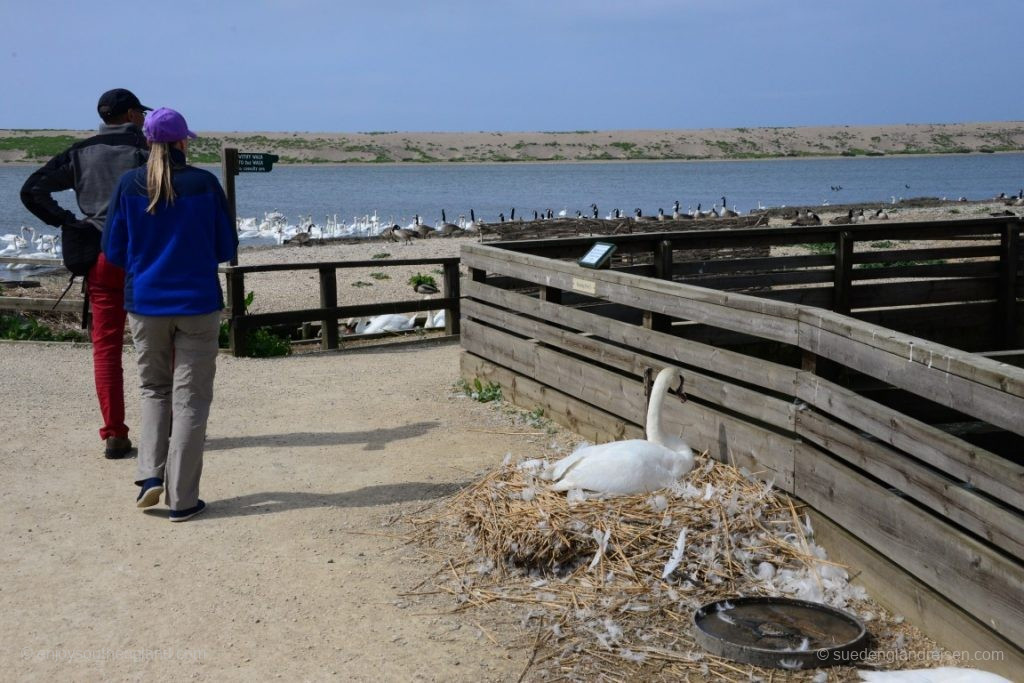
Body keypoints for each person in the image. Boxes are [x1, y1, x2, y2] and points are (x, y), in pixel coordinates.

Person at [102, 107, 237, 521]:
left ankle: (149, 478)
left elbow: (113, 251)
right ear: (182, 142)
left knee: (154, 391)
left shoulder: (128, 184)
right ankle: (182, 498)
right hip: (197, 303)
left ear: (147, 141)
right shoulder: (205, 183)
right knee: (191, 399)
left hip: (146, 303)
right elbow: (226, 248)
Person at [20, 88, 151, 459]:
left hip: (98, 256)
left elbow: (32, 190)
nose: (143, 118)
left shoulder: (79, 153)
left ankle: (114, 433)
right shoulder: (146, 151)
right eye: (140, 112)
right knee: (160, 341)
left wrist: (70, 222)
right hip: (142, 257)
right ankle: (166, 426)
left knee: (106, 348)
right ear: (130, 115)